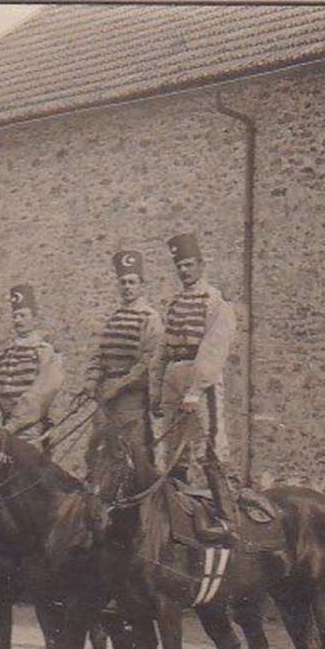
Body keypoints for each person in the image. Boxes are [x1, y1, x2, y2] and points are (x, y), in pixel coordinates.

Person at [152, 231, 239, 543]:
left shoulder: (214, 301)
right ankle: (179, 514)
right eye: (180, 266)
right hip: (174, 375)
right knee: (174, 449)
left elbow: (214, 347)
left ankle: (229, 518)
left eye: (189, 265)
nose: (184, 271)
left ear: (201, 265)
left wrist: (196, 389)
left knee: (210, 445)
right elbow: (163, 349)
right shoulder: (175, 303)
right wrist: (156, 391)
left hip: (200, 376)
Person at [86, 250, 164, 461]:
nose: (127, 287)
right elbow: (100, 354)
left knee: (133, 454)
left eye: (132, 282)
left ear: (141, 285)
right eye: (123, 282)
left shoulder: (150, 318)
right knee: (98, 453)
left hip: (132, 399)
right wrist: (92, 381)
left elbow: (149, 362)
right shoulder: (113, 318)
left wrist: (119, 386)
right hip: (105, 398)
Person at [0, 284, 65, 448]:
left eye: (22, 316)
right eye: (15, 316)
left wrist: (13, 425)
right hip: (1, 426)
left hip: (29, 428)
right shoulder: (5, 353)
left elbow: (42, 393)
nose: (18, 321)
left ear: (34, 319)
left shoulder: (44, 351)